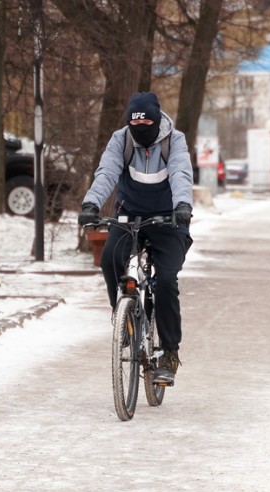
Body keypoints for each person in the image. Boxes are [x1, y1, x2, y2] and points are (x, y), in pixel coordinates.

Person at [78, 92, 194, 386]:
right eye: (134, 127)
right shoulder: (121, 139)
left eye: (145, 127)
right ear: (129, 123)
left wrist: (183, 206)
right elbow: (106, 172)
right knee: (110, 260)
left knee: (166, 280)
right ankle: (124, 322)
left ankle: (169, 352)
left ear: (156, 122)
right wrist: (91, 204)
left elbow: (181, 172)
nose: (140, 133)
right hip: (130, 214)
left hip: (169, 218)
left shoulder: (174, 140)